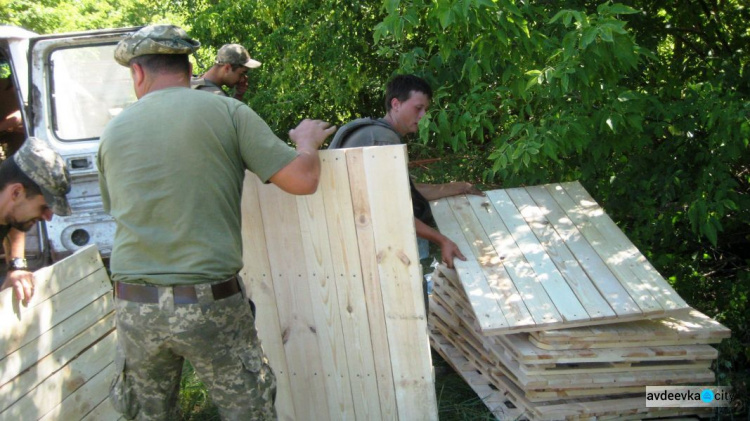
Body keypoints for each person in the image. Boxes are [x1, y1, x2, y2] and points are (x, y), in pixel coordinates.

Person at [98, 24, 335, 420]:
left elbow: (118, 209)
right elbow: (303, 180)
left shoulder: (113, 131)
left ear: (137, 73)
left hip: (134, 306)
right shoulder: (227, 111)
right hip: (208, 303)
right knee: (248, 411)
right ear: (189, 66)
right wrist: (307, 143)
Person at [328, 74, 483, 270]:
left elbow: (404, 193)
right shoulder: (383, 142)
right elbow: (392, 212)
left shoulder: (371, 133)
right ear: (396, 104)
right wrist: (442, 240)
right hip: (370, 252)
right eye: (418, 108)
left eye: (426, 110)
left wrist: (460, 187)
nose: (423, 116)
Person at [0, 136, 72, 306]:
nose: (48, 216)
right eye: (44, 207)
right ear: (16, 192)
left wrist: (16, 266)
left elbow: (14, 224)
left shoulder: (9, 209)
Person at [191, 43, 261, 100]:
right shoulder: (217, 98)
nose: (243, 79)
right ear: (227, 68)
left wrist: (239, 95)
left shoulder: (187, 82)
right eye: (241, 74)